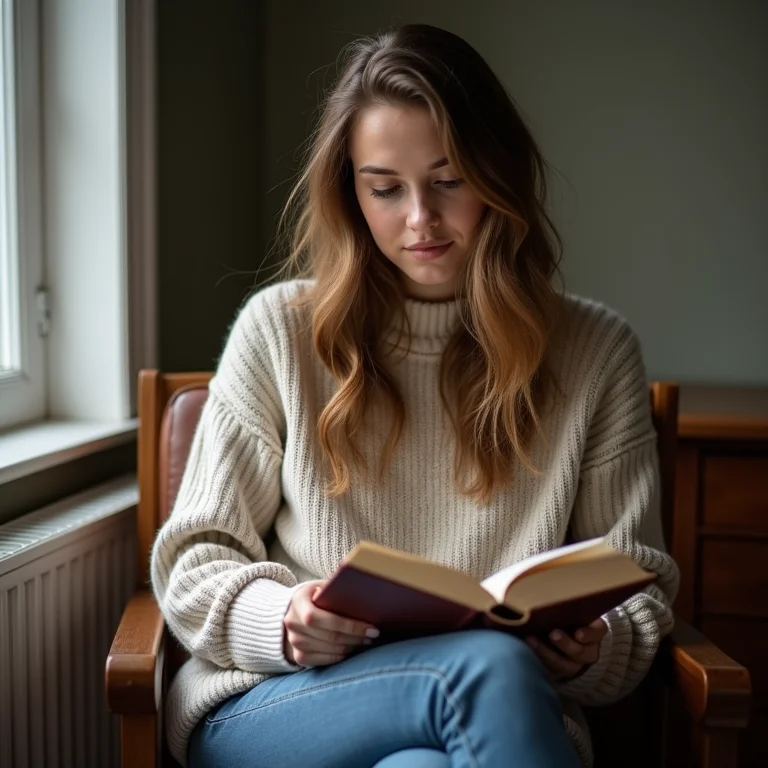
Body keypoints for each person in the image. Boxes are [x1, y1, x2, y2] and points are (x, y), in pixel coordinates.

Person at [151, 23, 679, 768]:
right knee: (483, 672)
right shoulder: (279, 331)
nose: (420, 219)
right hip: (280, 706)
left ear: (497, 174)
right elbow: (193, 559)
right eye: (385, 188)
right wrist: (284, 618)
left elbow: (638, 584)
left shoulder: (595, 353)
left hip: (498, 724)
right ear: (350, 192)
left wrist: (596, 645)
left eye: (449, 179)